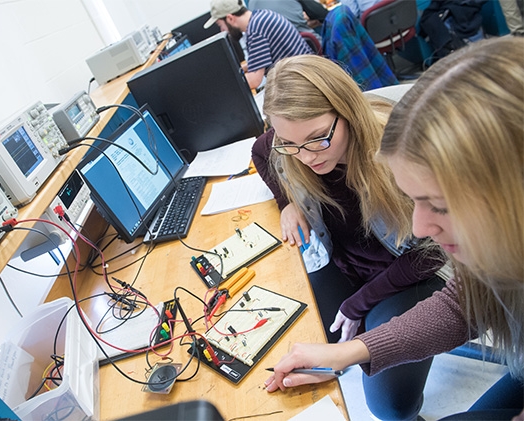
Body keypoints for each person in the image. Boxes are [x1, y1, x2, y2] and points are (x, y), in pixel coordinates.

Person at [264, 37, 524, 420]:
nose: (420, 225)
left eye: (438, 205)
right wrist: (347, 352)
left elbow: (426, 265)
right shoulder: (498, 251)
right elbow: (465, 301)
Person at [251, 53, 447, 420]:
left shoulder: (399, 150)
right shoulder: (289, 145)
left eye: (317, 139)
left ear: (346, 111)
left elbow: (432, 253)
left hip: (412, 272)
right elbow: (260, 152)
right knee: (290, 336)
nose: (306, 157)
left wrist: (358, 304)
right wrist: (286, 202)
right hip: (349, 266)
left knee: (390, 405)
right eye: (290, 144)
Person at [204, 0, 312, 89]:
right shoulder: (260, 17)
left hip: (304, 84)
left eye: (220, 25)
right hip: (306, 75)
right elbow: (257, 62)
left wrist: (220, 85)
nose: (222, 30)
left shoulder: (256, 30)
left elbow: (253, 81)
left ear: (230, 18)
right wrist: (239, 69)